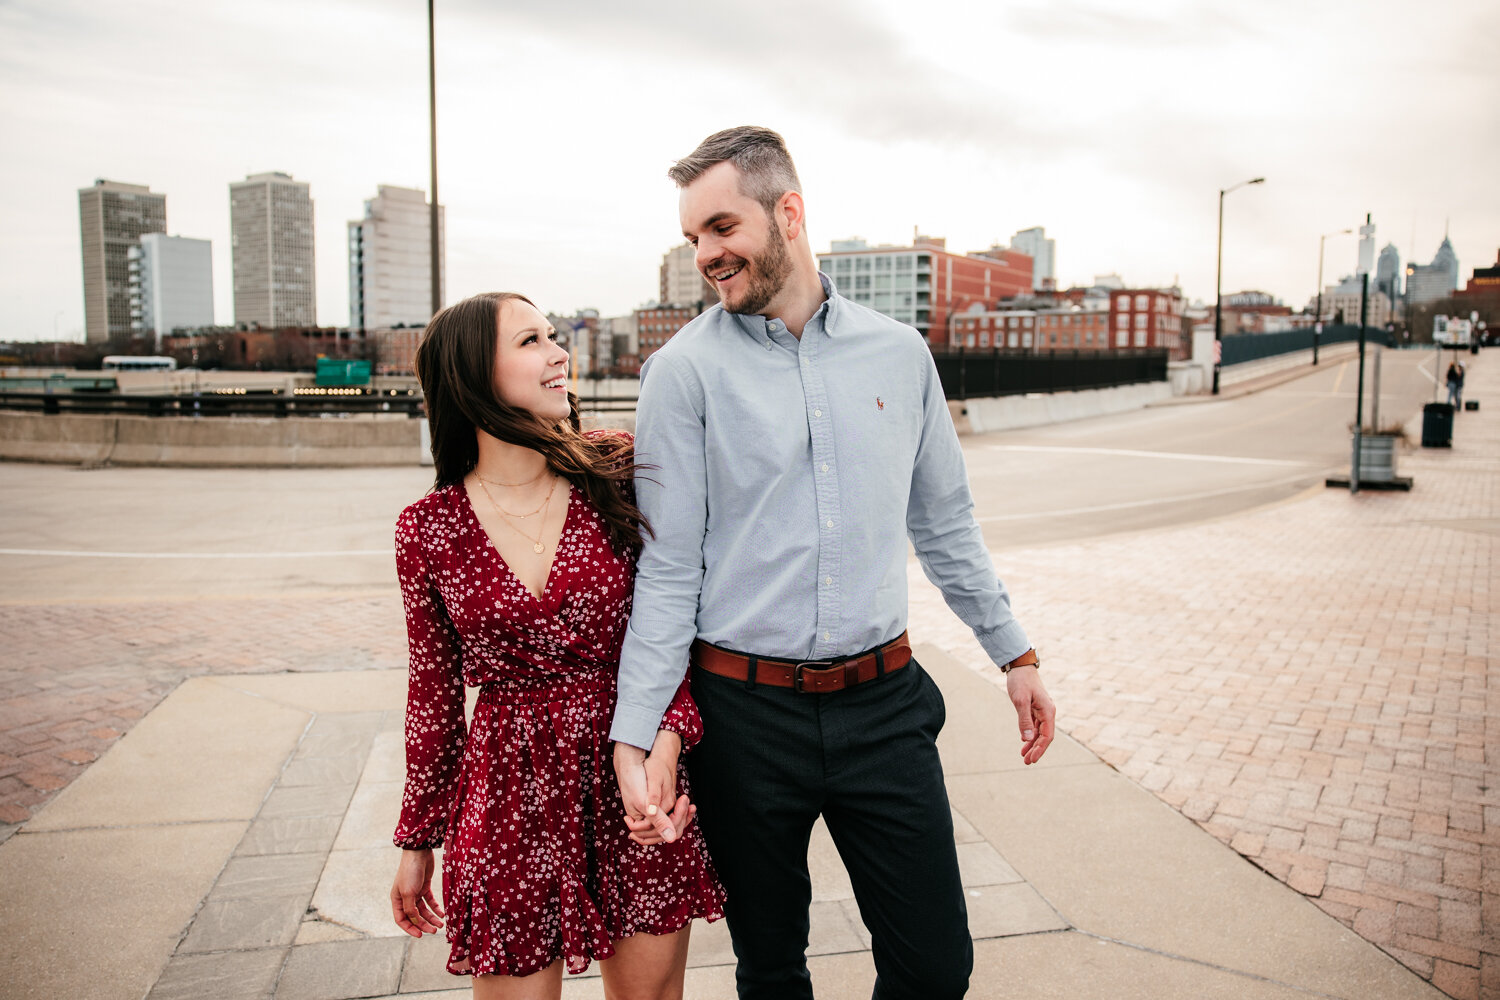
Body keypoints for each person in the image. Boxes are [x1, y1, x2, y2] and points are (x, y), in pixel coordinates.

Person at [610, 126, 1057, 1000]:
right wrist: (639, 734)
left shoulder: (899, 354)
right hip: (744, 721)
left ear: (790, 213)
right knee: (771, 969)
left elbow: (946, 523)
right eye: (693, 237)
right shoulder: (682, 374)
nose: (707, 254)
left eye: (722, 228)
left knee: (936, 967)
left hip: (885, 708)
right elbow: (668, 571)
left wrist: (1016, 654)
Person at [389, 292, 724, 999]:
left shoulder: (615, 472)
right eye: (531, 341)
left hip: (630, 775)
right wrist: (418, 841)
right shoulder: (428, 529)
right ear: (473, 374)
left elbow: (671, 623)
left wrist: (667, 741)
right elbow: (432, 695)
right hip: (506, 791)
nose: (558, 352)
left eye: (553, 336)